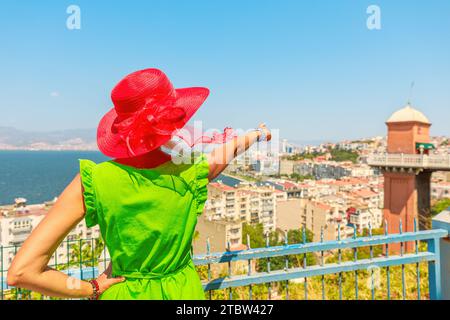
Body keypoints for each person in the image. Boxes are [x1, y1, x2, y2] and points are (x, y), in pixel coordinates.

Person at [7, 68, 271, 300]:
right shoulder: (191, 173)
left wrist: (92, 288)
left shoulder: (94, 181)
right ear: (173, 120)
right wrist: (258, 134)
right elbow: (229, 149)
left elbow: (22, 272)